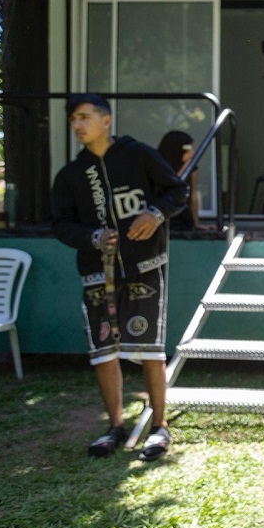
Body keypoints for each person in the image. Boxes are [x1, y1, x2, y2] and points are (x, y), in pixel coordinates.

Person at [52, 94, 189, 462]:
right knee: (103, 351)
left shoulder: (138, 154)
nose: (78, 125)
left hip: (144, 265)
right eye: (72, 119)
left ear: (106, 120)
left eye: (84, 117)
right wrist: (91, 237)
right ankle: (115, 426)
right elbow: (61, 223)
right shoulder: (71, 174)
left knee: (149, 348)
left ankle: (159, 426)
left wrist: (155, 213)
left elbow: (177, 189)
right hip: (98, 271)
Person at [157, 130, 206, 231]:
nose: (192, 152)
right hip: (161, 214)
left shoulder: (191, 167)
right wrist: (185, 166)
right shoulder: (158, 165)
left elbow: (193, 195)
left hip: (182, 215)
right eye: (187, 149)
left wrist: (196, 223)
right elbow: (170, 186)